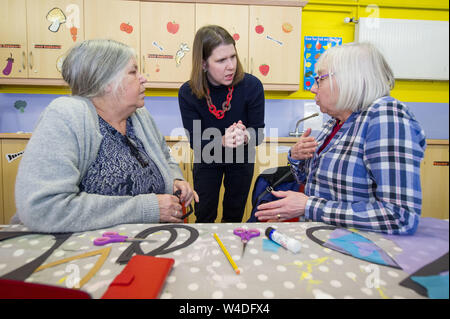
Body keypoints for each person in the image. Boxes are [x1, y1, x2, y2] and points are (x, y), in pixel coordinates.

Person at [14, 39, 198, 233]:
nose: (143, 78)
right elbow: (44, 209)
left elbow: (164, 156)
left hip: (147, 243)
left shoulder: (139, 116)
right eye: (133, 72)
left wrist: (175, 180)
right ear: (106, 82)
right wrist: (146, 208)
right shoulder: (65, 116)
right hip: (85, 252)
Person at [255, 42, 426, 235]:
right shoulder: (336, 122)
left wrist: (308, 206)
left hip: (360, 247)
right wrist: (296, 157)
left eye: (319, 80)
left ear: (349, 79)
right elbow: (311, 182)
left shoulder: (385, 116)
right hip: (325, 237)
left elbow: (400, 217)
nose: (313, 88)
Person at [178, 25, 265, 223]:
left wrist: (246, 136)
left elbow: (259, 132)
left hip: (241, 160)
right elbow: (195, 141)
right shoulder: (187, 92)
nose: (231, 66)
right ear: (203, 64)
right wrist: (222, 140)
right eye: (221, 60)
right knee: (204, 215)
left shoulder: (252, 86)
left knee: (234, 216)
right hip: (207, 161)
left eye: (233, 57)